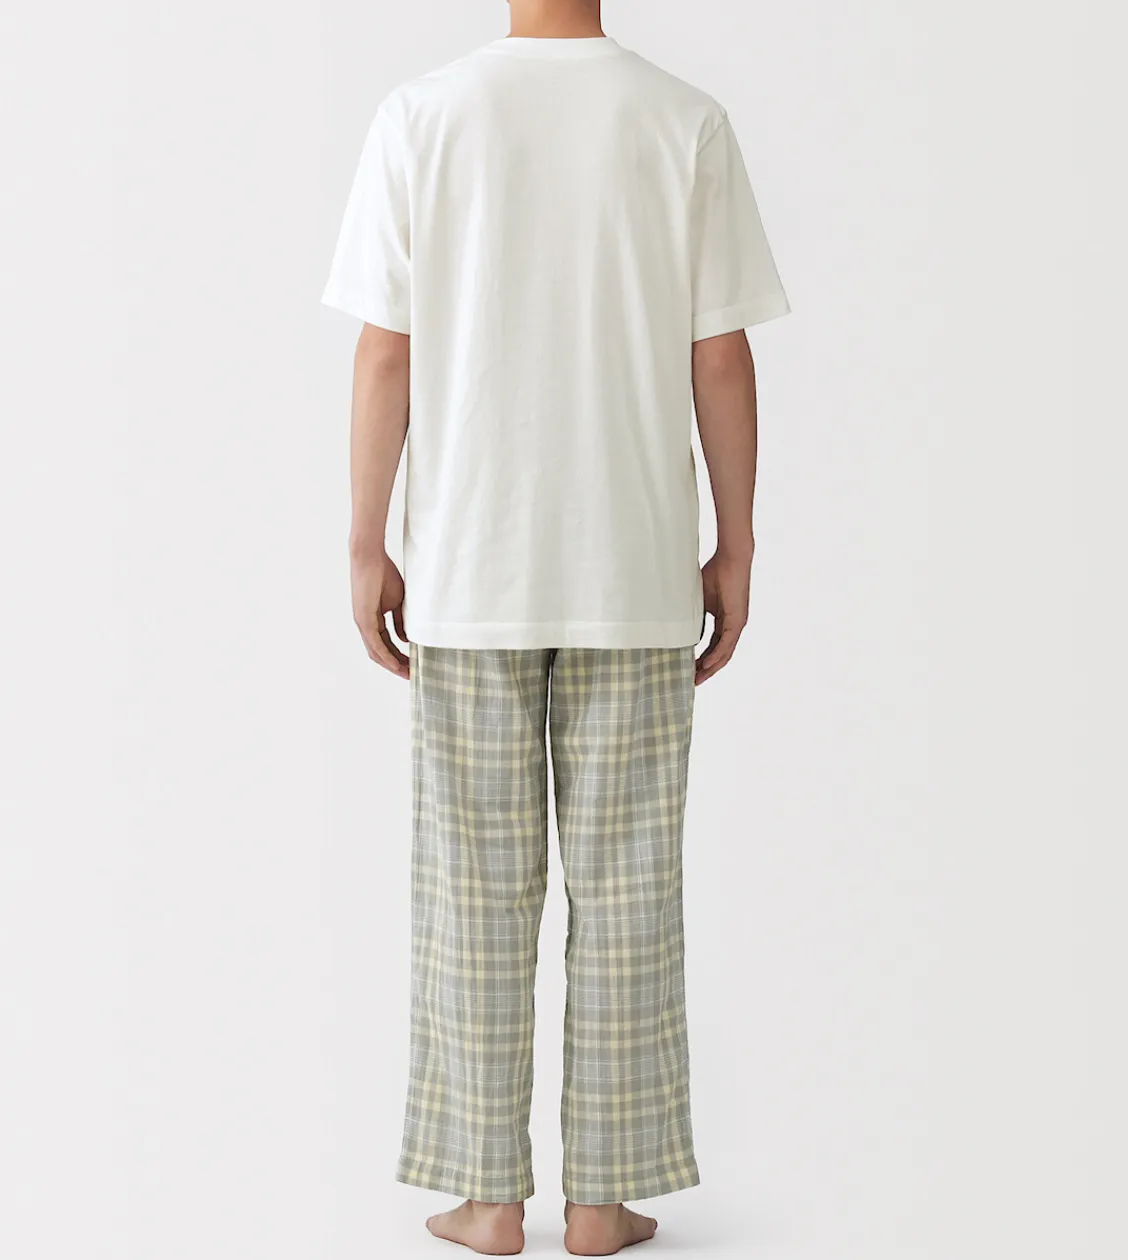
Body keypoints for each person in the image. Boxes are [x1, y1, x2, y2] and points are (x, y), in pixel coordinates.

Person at [323, 1, 788, 1253]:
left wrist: (367, 541)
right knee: (630, 889)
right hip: (631, 571)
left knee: (471, 891)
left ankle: (486, 1199)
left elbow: (383, 354)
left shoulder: (423, 116)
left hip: (469, 572)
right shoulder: (682, 120)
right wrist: (736, 543)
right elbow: (721, 356)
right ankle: (601, 1200)